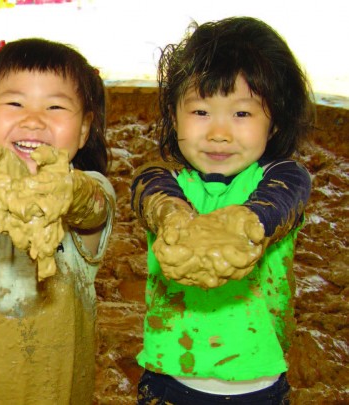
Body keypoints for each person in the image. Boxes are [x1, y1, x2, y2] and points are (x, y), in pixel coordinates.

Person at [130, 17, 315, 404]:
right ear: (173, 114)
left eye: (242, 114)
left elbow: (282, 200)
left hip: (257, 382)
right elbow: (149, 192)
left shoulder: (281, 179)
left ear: (275, 121)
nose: (219, 132)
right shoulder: (167, 184)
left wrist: (245, 224)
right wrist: (173, 216)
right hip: (169, 376)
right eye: (200, 112)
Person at [0, 38, 117, 404]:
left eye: (55, 106)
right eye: (15, 103)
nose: (33, 119)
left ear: (84, 129)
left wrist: (65, 191)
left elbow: (94, 209)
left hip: (59, 388)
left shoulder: (92, 188)